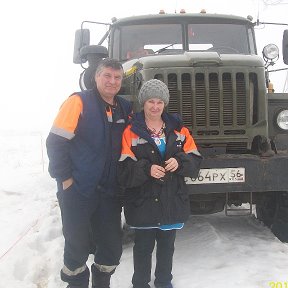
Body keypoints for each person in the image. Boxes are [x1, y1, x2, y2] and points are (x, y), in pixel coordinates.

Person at [46, 58, 132, 288]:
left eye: (117, 77)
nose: (112, 81)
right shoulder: (78, 102)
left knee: (111, 247)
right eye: (107, 76)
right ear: (96, 77)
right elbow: (55, 142)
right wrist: (65, 179)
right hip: (78, 191)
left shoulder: (124, 107)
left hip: (110, 193)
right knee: (77, 246)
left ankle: (102, 283)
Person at [117, 79, 202, 288]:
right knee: (143, 247)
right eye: (150, 102)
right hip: (143, 201)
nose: (155, 107)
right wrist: (146, 170)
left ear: (165, 104)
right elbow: (123, 169)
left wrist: (180, 161)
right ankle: (140, 284)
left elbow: (195, 161)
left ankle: (164, 282)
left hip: (170, 200)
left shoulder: (179, 130)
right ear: (143, 103)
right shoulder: (130, 131)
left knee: (167, 246)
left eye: (159, 102)